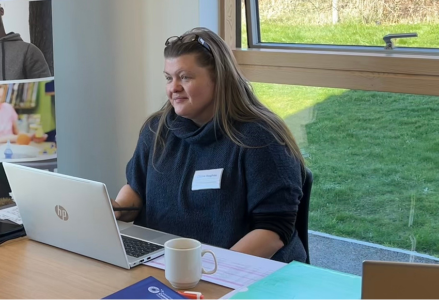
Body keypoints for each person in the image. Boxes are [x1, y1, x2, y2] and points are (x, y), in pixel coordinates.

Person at [112, 27, 308, 263]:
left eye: (185, 77)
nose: (173, 88)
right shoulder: (157, 129)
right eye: (169, 77)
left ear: (219, 79)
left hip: (240, 273)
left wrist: (211, 269)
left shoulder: (260, 139)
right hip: (165, 263)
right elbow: (136, 188)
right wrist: (116, 210)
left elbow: (273, 232)